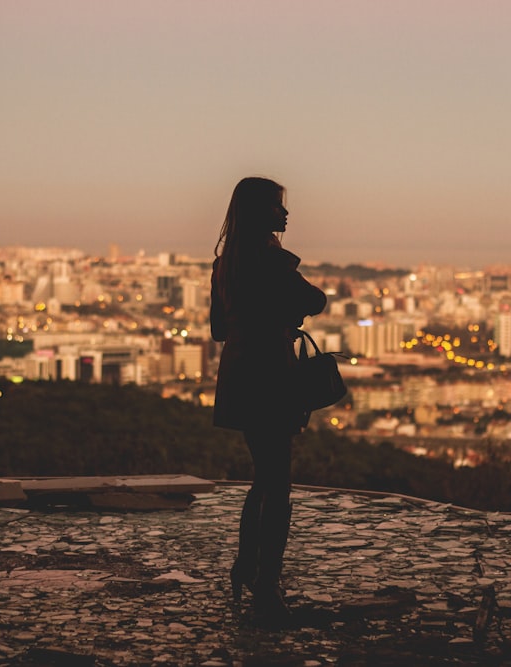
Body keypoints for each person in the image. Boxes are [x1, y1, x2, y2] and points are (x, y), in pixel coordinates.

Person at [210, 176, 327, 626]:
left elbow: (219, 328)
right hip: (272, 375)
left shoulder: (224, 264)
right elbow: (314, 300)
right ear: (261, 212)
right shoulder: (272, 261)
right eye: (279, 207)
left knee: (265, 475)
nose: (286, 214)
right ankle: (266, 587)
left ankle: (247, 567)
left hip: (240, 373)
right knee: (277, 485)